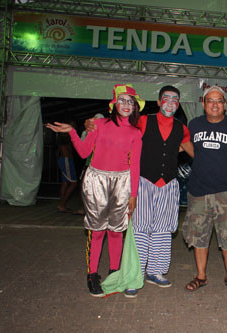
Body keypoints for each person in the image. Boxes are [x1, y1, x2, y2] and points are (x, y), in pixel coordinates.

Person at [46, 84, 144, 297]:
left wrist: (133, 195)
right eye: (122, 100)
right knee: (97, 230)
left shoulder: (136, 132)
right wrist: (72, 132)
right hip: (96, 180)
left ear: (135, 106)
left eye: (130, 101)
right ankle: (92, 275)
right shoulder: (98, 124)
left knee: (117, 231)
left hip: (122, 183)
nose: (126, 105)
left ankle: (114, 272)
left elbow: (135, 165)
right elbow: (83, 153)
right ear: (114, 104)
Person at [181, 85, 227, 293]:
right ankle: (201, 276)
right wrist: (198, 157)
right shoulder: (194, 124)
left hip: (225, 192)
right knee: (199, 234)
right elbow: (181, 144)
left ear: (224, 105)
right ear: (204, 104)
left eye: (219, 100)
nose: (214, 104)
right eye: (210, 100)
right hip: (199, 190)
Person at [126, 86, 193, 297]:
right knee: (140, 228)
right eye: (166, 98)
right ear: (158, 101)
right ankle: (134, 274)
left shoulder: (182, 128)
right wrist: (94, 125)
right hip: (145, 182)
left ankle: (156, 272)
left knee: (163, 230)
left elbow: (194, 152)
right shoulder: (144, 121)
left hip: (168, 184)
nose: (171, 102)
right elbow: (121, 130)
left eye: (175, 99)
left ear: (179, 103)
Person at [55, 120, 78, 213]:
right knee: (73, 183)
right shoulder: (65, 136)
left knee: (65, 183)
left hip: (64, 160)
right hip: (66, 160)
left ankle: (61, 204)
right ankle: (62, 204)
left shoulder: (63, 136)